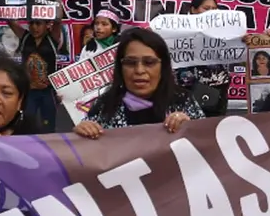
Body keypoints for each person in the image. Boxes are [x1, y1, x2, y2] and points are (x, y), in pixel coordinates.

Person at [74, 27, 205, 139]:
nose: (139, 70)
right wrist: (82, 132)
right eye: (130, 63)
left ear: (163, 66)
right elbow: (84, 155)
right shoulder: (106, 105)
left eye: (149, 62)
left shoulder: (183, 101)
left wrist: (190, 128)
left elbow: (208, 145)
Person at [6, 0, 65, 133]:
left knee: (48, 125)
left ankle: (49, 151)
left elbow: (58, 20)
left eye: (38, 23)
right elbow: (9, 20)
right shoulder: (25, 36)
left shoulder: (53, 38)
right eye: (31, 23)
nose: (34, 27)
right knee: (27, 121)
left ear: (47, 25)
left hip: (48, 91)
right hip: (29, 90)